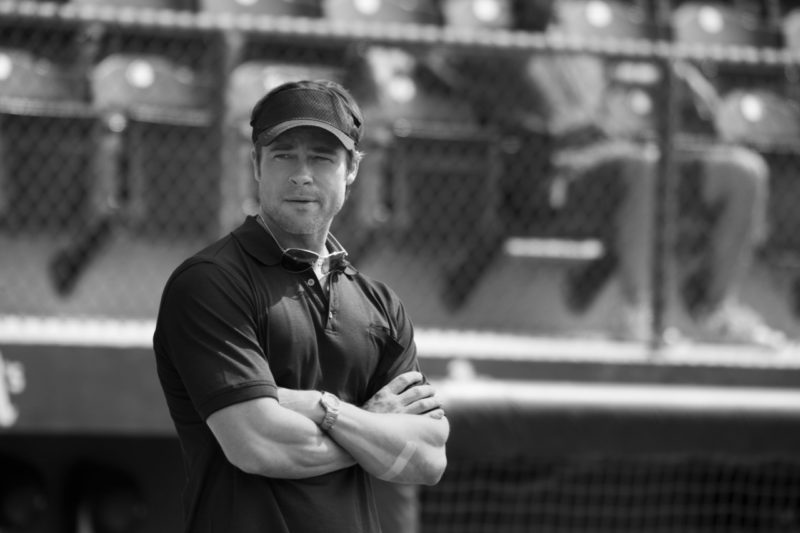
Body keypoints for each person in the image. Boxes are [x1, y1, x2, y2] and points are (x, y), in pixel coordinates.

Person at [153, 79, 449, 533]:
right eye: (283, 155)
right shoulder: (210, 282)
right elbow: (258, 444)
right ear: (256, 164)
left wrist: (320, 408)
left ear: (352, 169)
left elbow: (426, 457)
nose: (301, 175)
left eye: (322, 158)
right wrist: (370, 425)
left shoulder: (381, 304)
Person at [433, 11, 785, 348]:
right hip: (560, 174)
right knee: (643, 166)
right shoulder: (493, 49)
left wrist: (675, 79)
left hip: (620, 152)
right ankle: (637, 314)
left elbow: (616, 107)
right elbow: (439, 64)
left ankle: (716, 306)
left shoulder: (580, 44)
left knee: (743, 172)